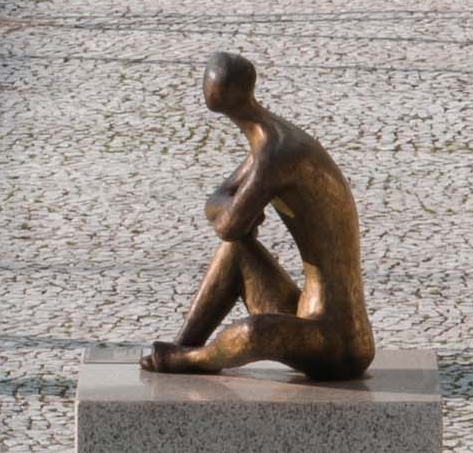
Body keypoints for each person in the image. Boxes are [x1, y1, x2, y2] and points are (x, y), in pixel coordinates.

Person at [139, 49, 375, 382]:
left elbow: (228, 224)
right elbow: (220, 206)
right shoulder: (269, 142)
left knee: (252, 333)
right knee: (237, 251)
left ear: (215, 95)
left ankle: (194, 356)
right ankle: (183, 345)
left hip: (338, 340)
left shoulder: (278, 154)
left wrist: (238, 215)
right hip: (305, 313)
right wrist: (235, 213)